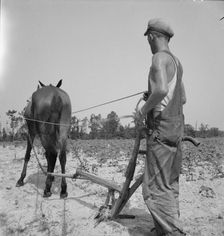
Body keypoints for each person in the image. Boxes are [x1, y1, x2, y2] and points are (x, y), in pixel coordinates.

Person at [136, 18, 187, 236]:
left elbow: (162, 91)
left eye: (148, 39)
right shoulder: (177, 63)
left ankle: (172, 232)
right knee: (169, 183)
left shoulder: (158, 59)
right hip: (176, 130)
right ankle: (162, 228)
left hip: (160, 131)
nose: (148, 43)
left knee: (154, 188)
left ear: (152, 36)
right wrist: (154, 96)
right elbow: (182, 98)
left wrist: (143, 110)